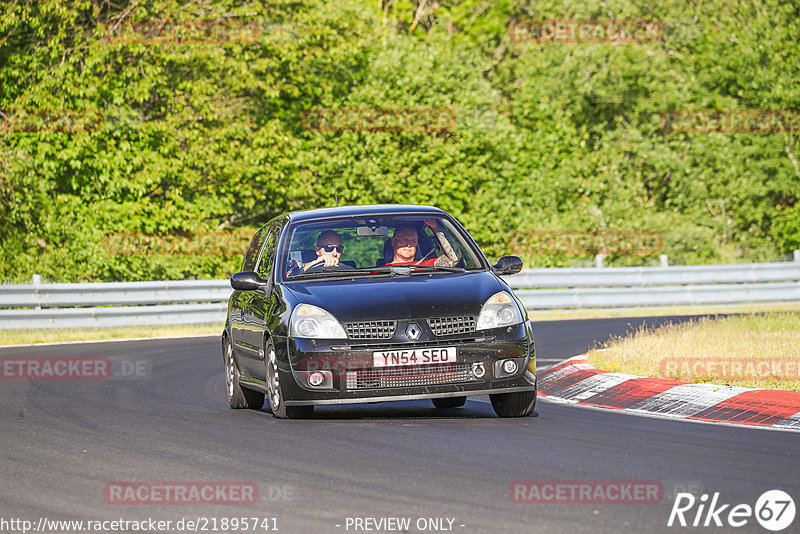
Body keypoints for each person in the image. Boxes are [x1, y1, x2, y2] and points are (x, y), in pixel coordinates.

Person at [385, 221, 460, 267]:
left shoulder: (425, 266)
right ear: (393, 241)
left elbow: (454, 259)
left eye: (413, 241)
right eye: (405, 240)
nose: (409, 244)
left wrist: (435, 227)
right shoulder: (378, 272)